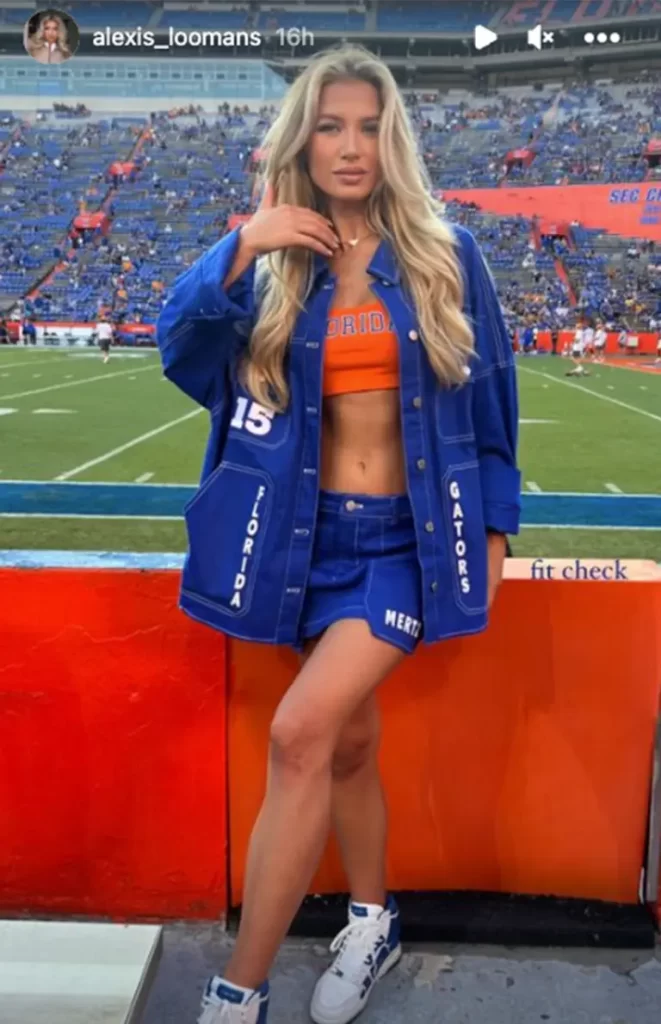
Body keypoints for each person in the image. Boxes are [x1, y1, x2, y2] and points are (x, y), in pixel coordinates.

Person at [156, 44, 520, 1024]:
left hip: (400, 549)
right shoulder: (277, 262)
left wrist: (492, 538)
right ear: (302, 140)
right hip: (295, 549)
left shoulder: (446, 253)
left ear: (389, 137)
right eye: (330, 125)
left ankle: (237, 991)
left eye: (368, 125)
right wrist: (244, 241)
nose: (351, 146)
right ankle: (371, 918)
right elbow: (179, 349)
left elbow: (491, 410)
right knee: (350, 745)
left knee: (301, 733)